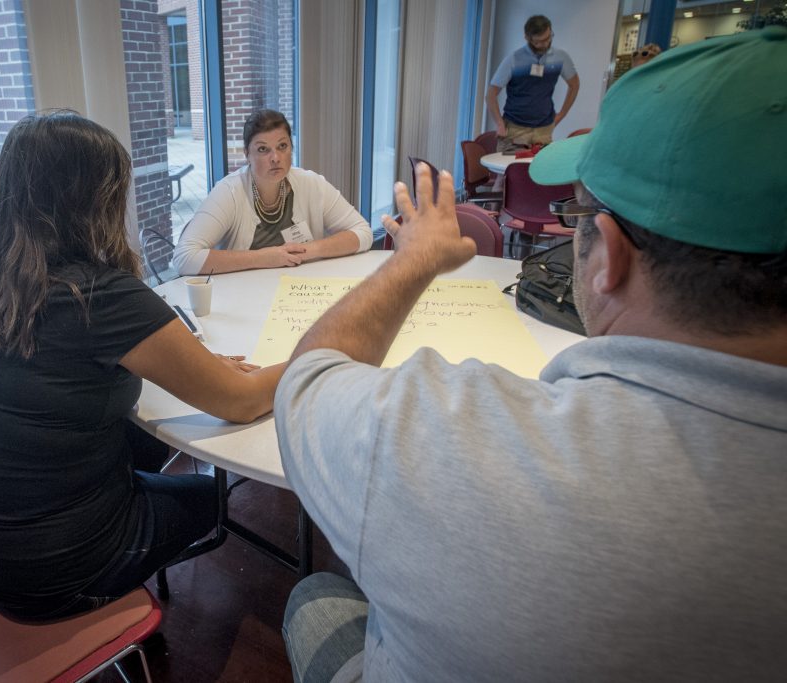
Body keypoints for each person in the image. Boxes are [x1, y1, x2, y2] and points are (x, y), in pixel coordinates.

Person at [278, 26, 787, 682]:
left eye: (575, 215)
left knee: (315, 597)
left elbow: (307, 381)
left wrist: (415, 261)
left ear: (607, 254)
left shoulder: (445, 436)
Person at [0, 111, 285, 622]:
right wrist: (314, 358)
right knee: (212, 494)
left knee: (149, 432)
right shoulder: (95, 293)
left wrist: (195, 366)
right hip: (53, 576)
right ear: (94, 199)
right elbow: (241, 399)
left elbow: (58, 375)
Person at [172, 109, 373, 275]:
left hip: (300, 292)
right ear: (247, 154)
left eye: (282, 146)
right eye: (262, 149)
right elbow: (184, 257)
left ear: (291, 148)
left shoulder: (312, 184)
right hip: (243, 297)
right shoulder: (229, 192)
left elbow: (363, 233)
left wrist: (306, 251)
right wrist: (264, 258)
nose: (275, 157)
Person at [486, 15, 579, 153]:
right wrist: (499, 123)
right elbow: (491, 94)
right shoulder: (513, 59)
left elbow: (574, 84)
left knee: (538, 173)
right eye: (539, 42)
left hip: (544, 130)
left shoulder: (561, 57)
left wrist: (562, 114)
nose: (545, 44)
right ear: (527, 38)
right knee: (511, 172)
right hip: (514, 129)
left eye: (548, 38)